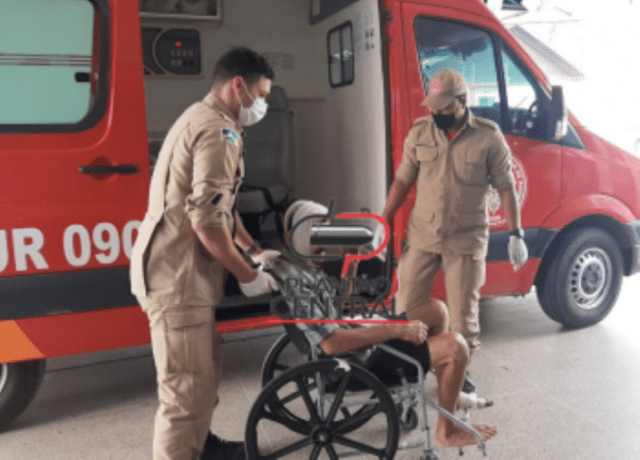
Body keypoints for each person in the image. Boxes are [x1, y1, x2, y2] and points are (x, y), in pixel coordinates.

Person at [130, 47, 280, 460]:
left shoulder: (202, 117)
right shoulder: (218, 132)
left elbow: (221, 207)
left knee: (204, 375)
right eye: (261, 95)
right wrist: (249, 276)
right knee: (184, 394)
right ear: (238, 86)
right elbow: (207, 224)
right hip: (176, 278)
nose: (262, 105)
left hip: (179, 272)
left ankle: (201, 446)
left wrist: (253, 249)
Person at [269, 200, 498, 447]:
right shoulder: (295, 281)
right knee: (456, 347)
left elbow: (334, 310)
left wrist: (350, 269)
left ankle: (442, 391)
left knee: (437, 311)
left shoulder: (305, 266)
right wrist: (394, 329)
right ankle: (447, 431)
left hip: (356, 347)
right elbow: (331, 344)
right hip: (357, 362)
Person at [377, 69, 528, 389]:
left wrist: (516, 234)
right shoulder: (421, 132)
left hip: (465, 237)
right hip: (424, 233)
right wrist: (383, 220)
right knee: (407, 305)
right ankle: (408, 364)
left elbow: (505, 187)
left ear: (462, 101)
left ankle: (459, 369)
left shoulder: (488, 137)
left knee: (463, 314)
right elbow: (403, 180)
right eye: (433, 106)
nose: (437, 113)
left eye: (445, 107)